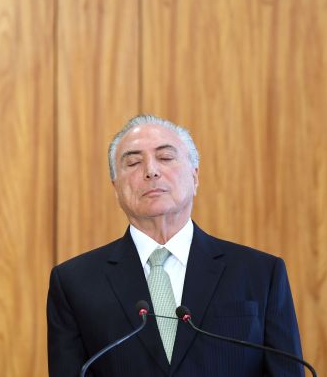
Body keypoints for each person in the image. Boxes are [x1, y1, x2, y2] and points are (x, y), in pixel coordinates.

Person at [47, 115, 304, 376]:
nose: (151, 170)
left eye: (166, 158)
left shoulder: (260, 273)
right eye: (134, 162)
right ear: (116, 188)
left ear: (195, 176)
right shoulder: (74, 283)